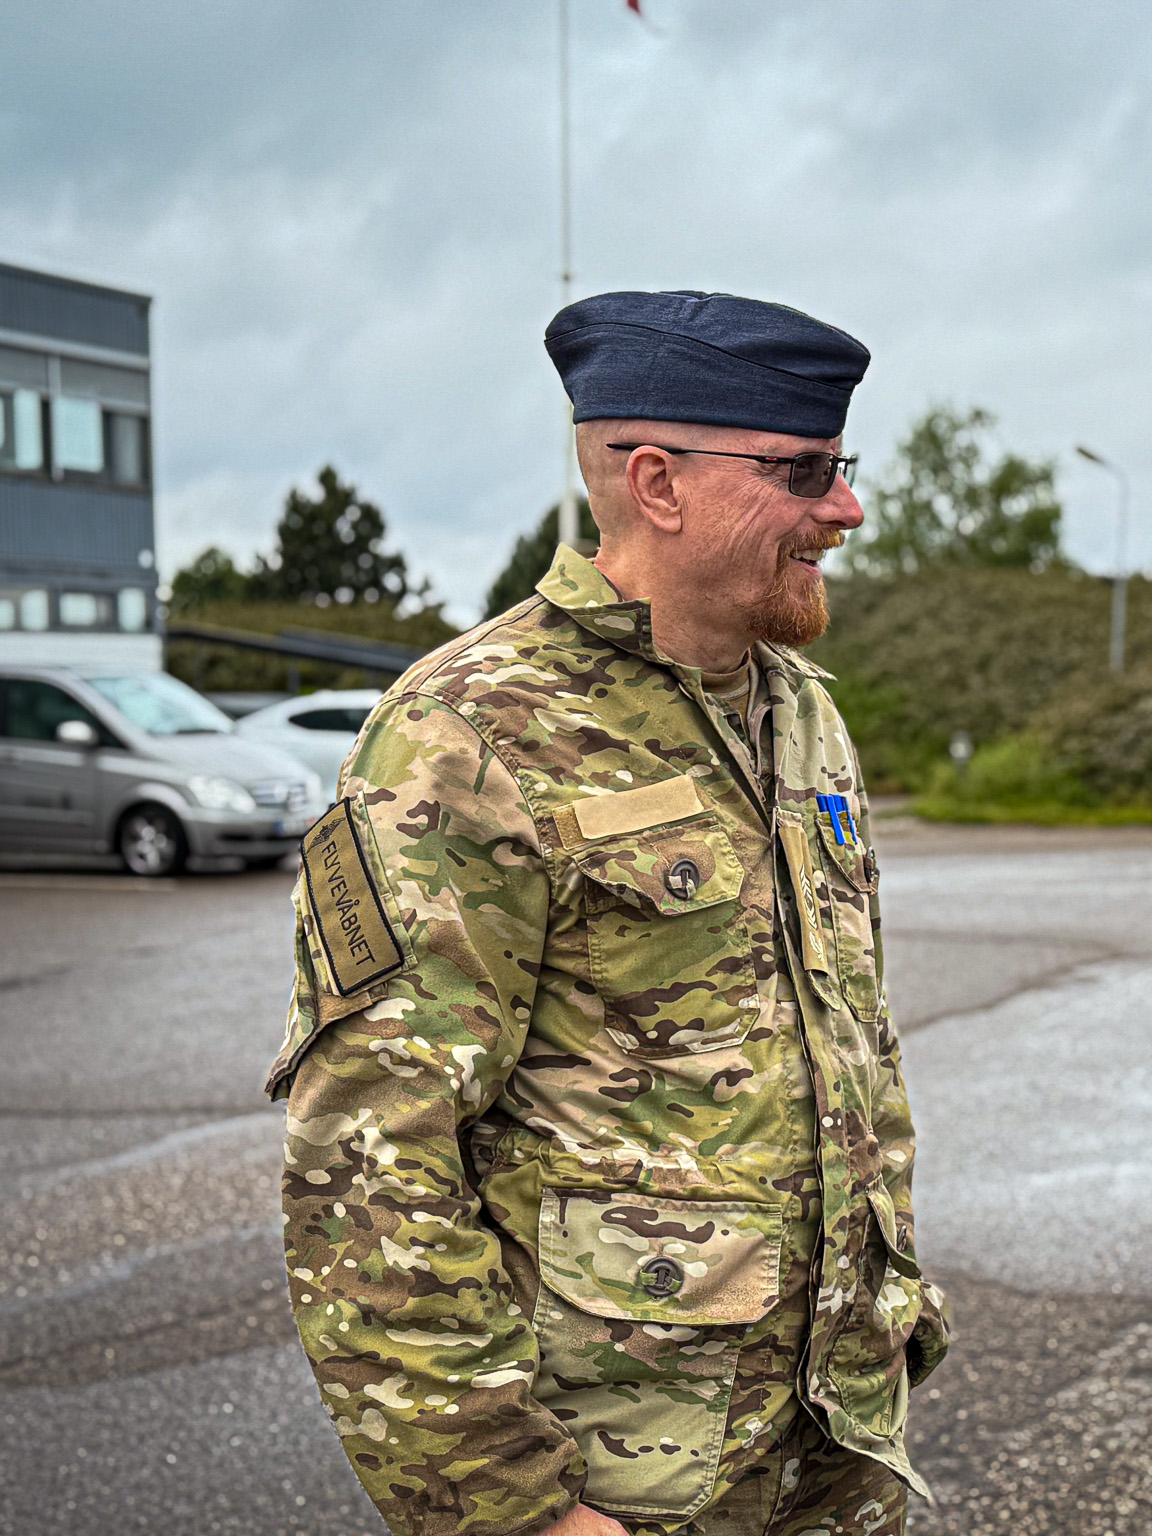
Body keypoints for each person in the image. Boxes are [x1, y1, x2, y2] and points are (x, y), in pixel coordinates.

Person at [268, 290, 950, 1536]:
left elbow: (852, 1050)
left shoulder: (800, 712)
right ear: (657, 482)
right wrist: (514, 1510)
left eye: (839, 468)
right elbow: (369, 1160)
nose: (842, 510)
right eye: (804, 473)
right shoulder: (464, 732)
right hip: (622, 1483)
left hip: (829, 1444)